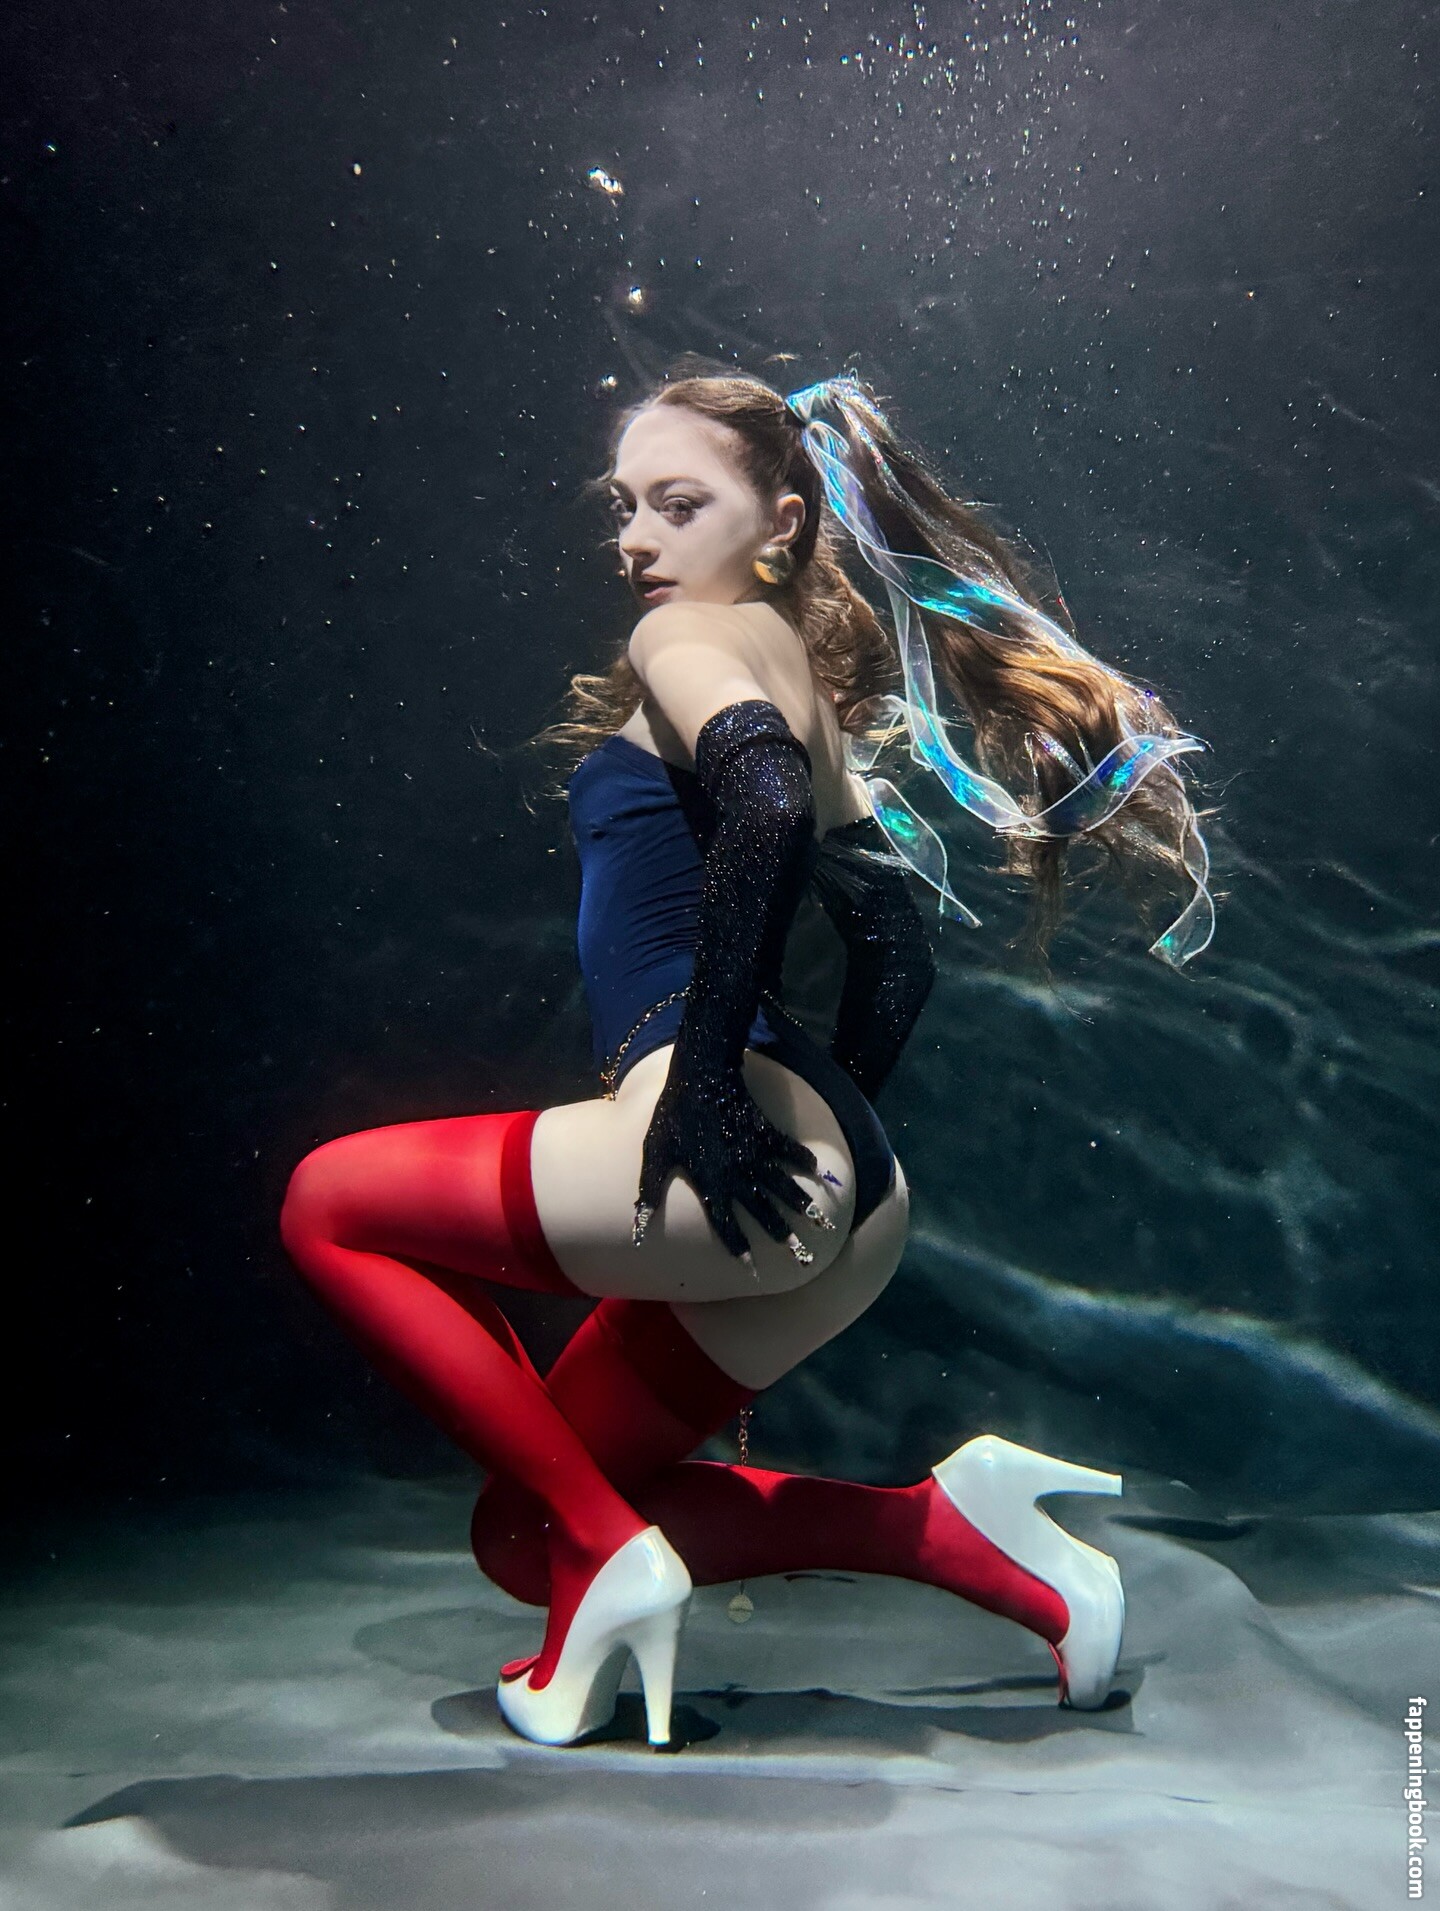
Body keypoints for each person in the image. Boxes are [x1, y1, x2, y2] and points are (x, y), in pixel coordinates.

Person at [279, 365, 1212, 1750]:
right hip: (857, 1196)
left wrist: (712, 1086)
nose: (635, 540)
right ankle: (959, 1540)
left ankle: (613, 1554)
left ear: (779, 522)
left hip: (720, 1115)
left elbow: (764, 802)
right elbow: (894, 951)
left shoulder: (684, 639)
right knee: (517, 1528)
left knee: (328, 1205)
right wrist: (821, 1167)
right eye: (623, 508)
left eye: (677, 504)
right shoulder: (798, 675)